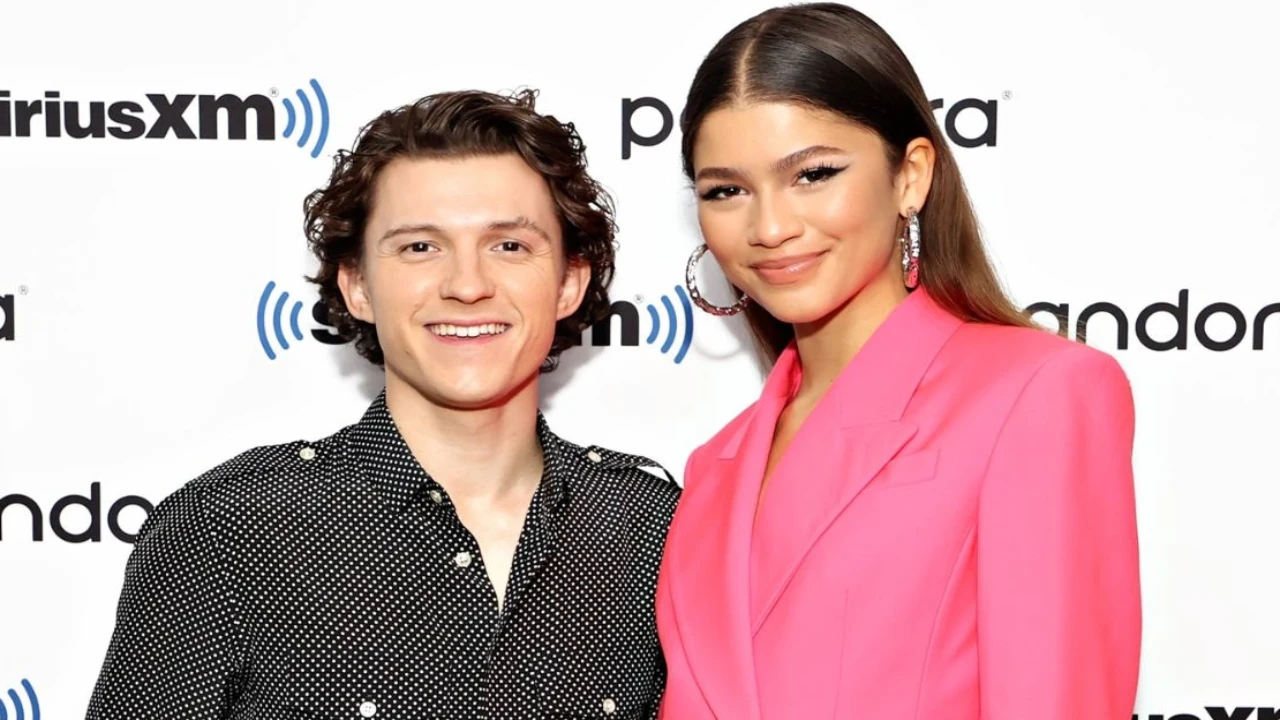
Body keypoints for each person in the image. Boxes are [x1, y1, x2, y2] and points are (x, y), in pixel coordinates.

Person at [86, 89, 680, 720]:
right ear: (358, 286)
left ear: (568, 283)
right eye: (420, 247)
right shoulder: (227, 529)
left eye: (508, 245)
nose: (468, 285)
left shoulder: (656, 528)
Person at [656, 4, 1142, 719]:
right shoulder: (714, 468)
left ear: (911, 176)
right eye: (726, 190)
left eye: (813, 174)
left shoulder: (1037, 394)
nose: (769, 227)